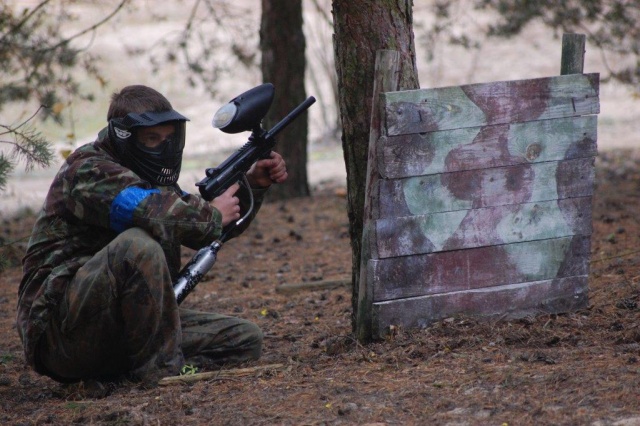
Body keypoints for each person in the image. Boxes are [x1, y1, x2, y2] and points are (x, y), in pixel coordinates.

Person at [17, 85, 288, 387]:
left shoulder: (151, 182)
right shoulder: (88, 170)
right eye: (152, 139)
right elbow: (151, 211)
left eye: (169, 139)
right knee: (137, 244)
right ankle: (161, 376)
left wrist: (253, 185)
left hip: (124, 328)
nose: (163, 148)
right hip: (61, 334)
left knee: (243, 339)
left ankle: (122, 377)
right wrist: (210, 215)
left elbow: (203, 231)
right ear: (125, 136)